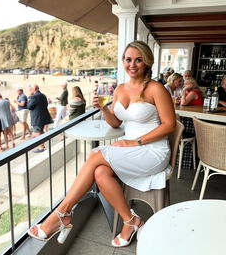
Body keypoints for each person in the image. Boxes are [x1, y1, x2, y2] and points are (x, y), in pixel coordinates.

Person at [28, 40, 176, 247]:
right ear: (123, 61)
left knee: (96, 155)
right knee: (99, 173)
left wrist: (135, 141)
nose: (132, 64)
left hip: (153, 151)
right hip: (132, 148)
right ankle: (131, 221)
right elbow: (116, 122)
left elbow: (170, 125)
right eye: (128, 59)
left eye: (138, 60)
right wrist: (102, 109)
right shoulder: (120, 89)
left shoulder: (155, 89)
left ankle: (61, 213)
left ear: (147, 62)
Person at [27, 84, 53, 153]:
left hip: (37, 118)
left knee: (37, 133)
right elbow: (46, 104)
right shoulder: (43, 95)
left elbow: (29, 106)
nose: (30, 91)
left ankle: (41, 147)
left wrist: (29, 96)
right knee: (40, 131)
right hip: (43, 117)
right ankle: (42, 145)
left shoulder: (34, 97)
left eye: (30, 89)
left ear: (34, 89)